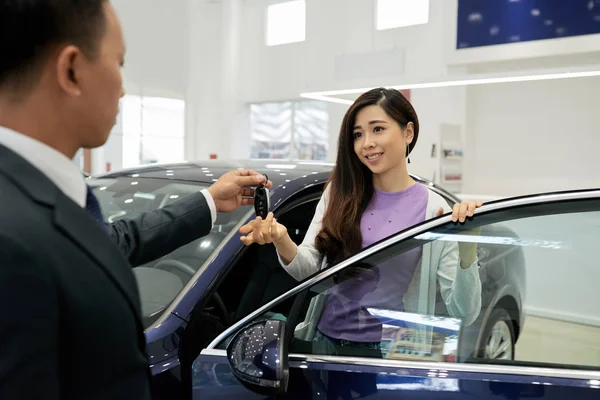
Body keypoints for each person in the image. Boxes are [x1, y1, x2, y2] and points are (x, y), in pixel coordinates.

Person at [0, 1, 271, 399]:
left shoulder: (38, 196)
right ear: (71, 69)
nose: (123, 87)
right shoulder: (12, 240)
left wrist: (210, 200)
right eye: (119, 62)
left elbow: (110, 241)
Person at [240, 88, 483, 350]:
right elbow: (309, 272)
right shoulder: (340, 193)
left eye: (378, 129)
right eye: (358, 134)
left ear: (408, 132)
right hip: (325, 343)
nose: (366, 143)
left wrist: (467, 251)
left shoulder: (434, 208)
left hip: (392, 350)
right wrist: (281, 238)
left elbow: (464, 313)